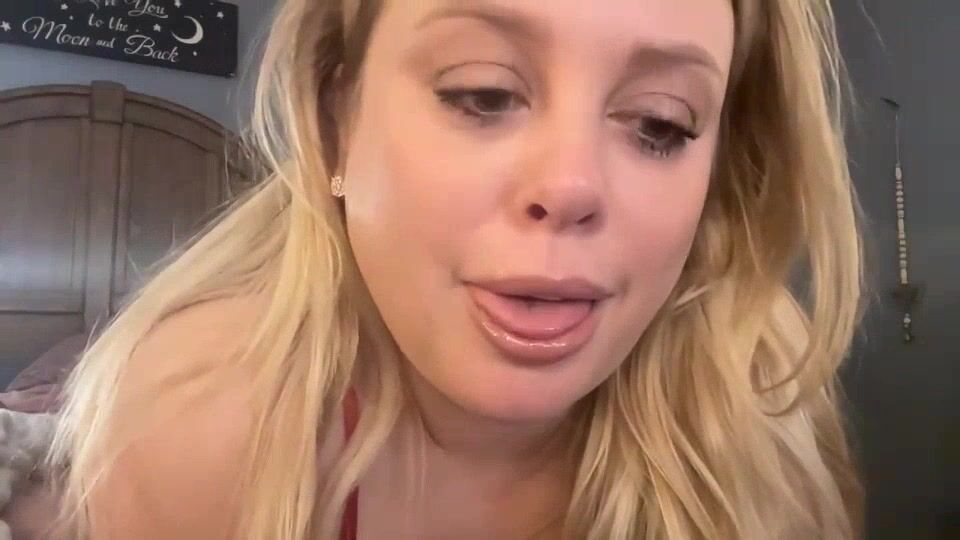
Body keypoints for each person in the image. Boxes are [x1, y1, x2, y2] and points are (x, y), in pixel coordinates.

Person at [47, 0, 865, 538]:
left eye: (660, 124)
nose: (570, 186)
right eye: (484, 94)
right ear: (336, 122)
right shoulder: (199, 428)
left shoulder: (764, 415)